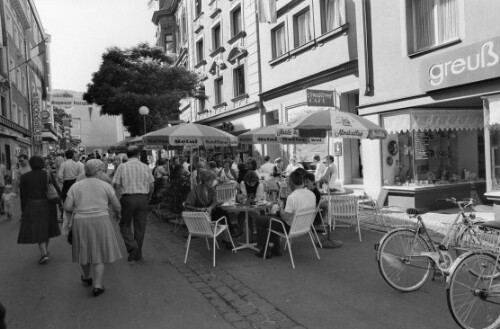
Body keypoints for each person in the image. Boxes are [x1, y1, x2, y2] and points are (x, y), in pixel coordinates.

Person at [64, 159, 122, 297]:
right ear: (97, 171)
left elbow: (66, 206)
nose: (102, 172)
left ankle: (86, 275)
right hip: (101, 219)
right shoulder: (105, 185)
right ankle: (97, 286)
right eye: (101, 170)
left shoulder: (76, 186)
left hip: (80, 221)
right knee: (99, 253)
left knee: (83, 250)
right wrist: (117, 214)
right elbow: (117, 205)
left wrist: (80, 208)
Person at [254, 170, 316, 258]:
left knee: (259, 219)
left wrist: (281, 206)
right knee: (271, 217)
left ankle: (265, 250)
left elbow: (285, 217)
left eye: (288, 181)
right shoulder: (311, 194)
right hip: (305, 226)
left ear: (291, 182)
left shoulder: (292, 197)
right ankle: (276, 248)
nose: (287, 183)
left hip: (291, 228)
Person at [112, 146, 154, 262]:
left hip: (128, 199)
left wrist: (118, 198)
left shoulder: (122, 166)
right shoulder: (145, 167)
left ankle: (132, 246)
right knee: (140, 227)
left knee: (124, 225)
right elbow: (151, 185)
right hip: (142, 198)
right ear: (138, 155)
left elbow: (115, 184)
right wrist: (149, 197)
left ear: (127, 155)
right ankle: (138, 253)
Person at [17, 156, 61, 264]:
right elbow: (57, 188)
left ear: (30, 164)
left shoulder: (25, 177)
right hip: (48, 204)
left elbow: (23, 196)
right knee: (47, 227)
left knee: (38, 228)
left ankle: (44, 253)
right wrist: (60, 203)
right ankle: (44, 250)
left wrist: (23, 210)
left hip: (33, 205)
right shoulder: (48, 174)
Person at [185, 169, 235, 238]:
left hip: (209, 215)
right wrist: (199, 209)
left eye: (213, 180)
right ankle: (229, 236)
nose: (213, 182)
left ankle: (228, 237)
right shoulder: (196, 190)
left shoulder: (211, 189)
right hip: (199, 217)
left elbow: (215, 201)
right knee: (222, 213)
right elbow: (187, 205)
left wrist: (210, 207)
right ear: (205, 181)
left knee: (222, 212)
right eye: (211, 180)